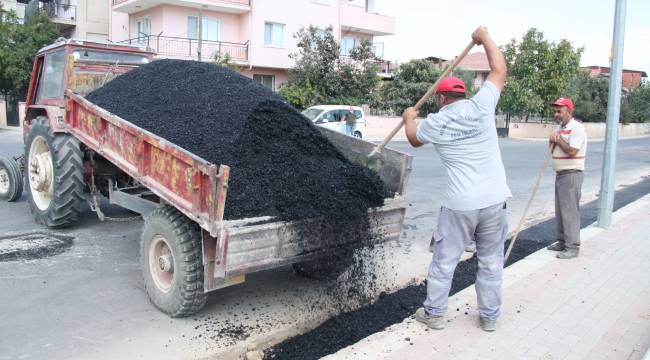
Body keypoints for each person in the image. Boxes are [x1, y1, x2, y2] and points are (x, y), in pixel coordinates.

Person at [402, 26, 510, 332]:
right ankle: (489, 317)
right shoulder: (483, 105)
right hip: (494, 201)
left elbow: (412, 138)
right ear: (463, 93)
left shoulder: (436, 122)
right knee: (490, 262)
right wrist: (486, 38)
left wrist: (410, 117)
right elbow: (499, 68)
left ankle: (434, 313)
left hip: (460, 205)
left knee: (445, 260)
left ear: (440, 99)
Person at [546, 97, 587, 259]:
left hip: (571, 174)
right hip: (561, 175)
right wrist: (553, 139)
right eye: (555, 111)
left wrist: (558, 139)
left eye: (559, 111)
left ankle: (573, 247)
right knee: (561, 210)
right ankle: (562, 241)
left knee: (570, 211)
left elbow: (572, 151)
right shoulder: (561, 128)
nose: (556, 114)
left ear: (569, 112)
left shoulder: (576, 128)